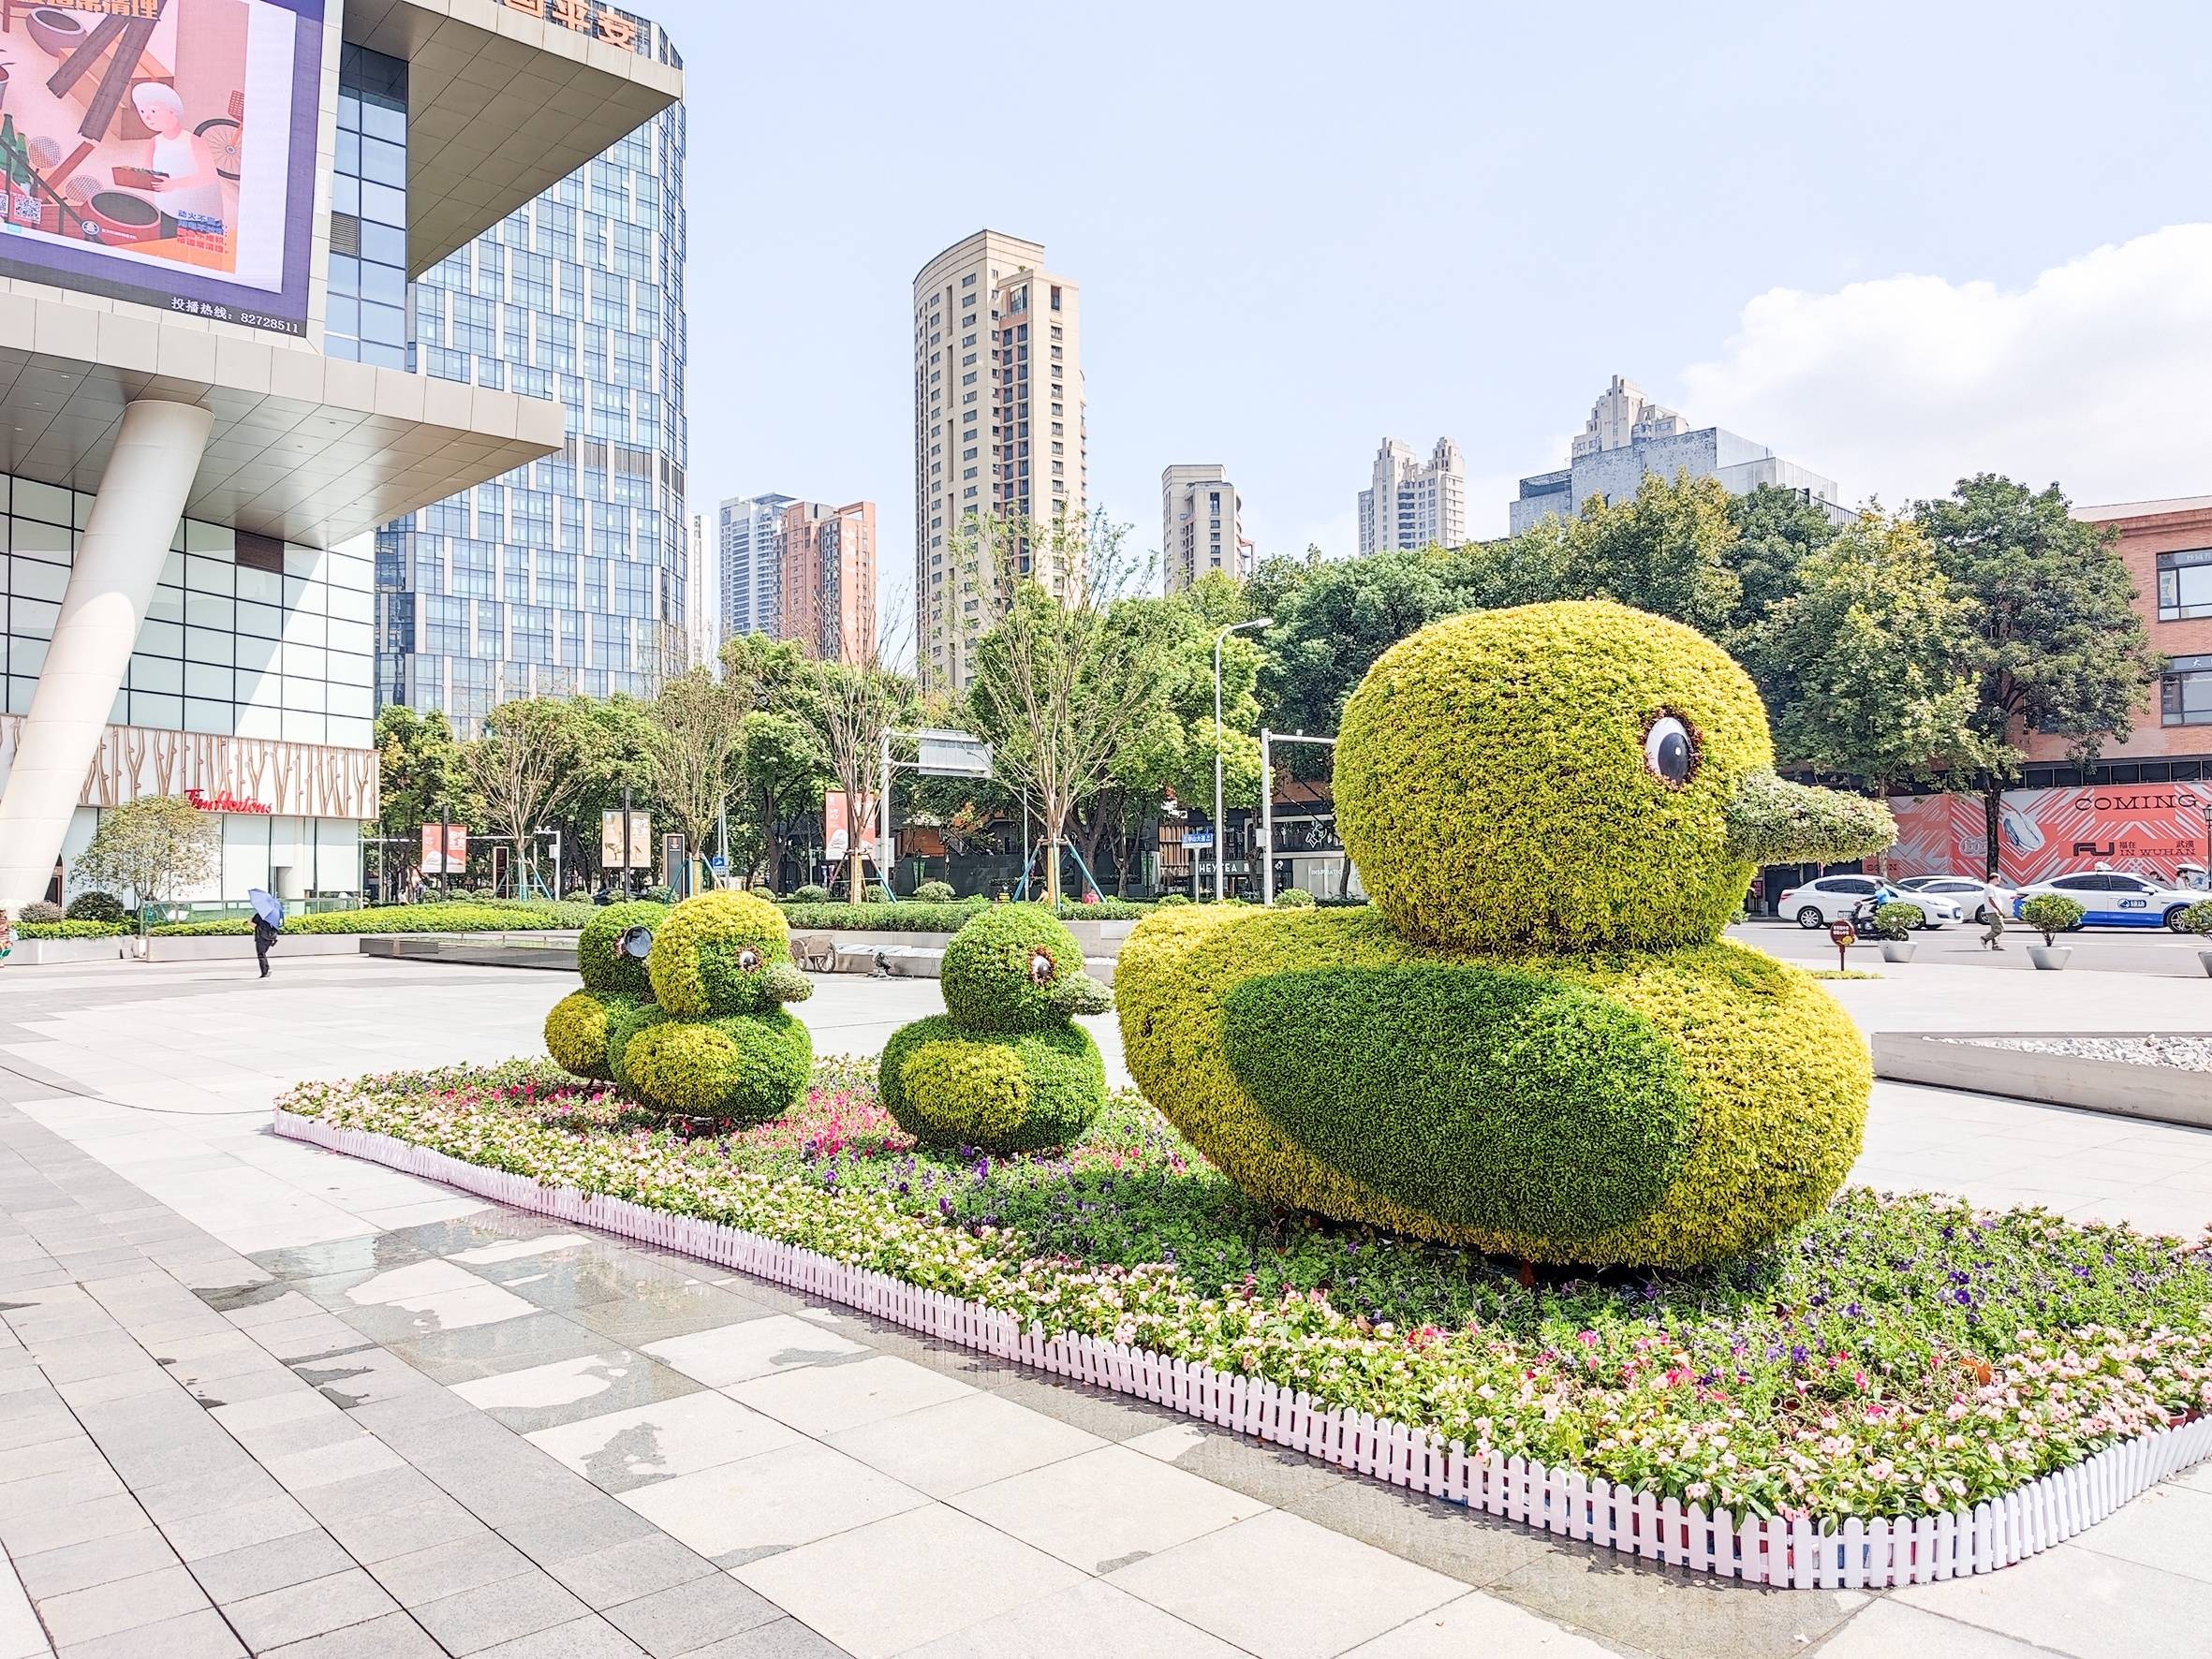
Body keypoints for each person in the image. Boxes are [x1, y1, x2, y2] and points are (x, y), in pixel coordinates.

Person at [1981, 874, 2008, 951]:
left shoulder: (1991, 887)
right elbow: (1991, 899)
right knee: (2000, 928)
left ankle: (1996, 945)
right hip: (1993, 911)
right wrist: (1998, 910)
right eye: (1999, 878)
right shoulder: (1989, 887)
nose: (2000, 880)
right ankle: (1985, 938)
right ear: (1994, 878)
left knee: (1995, 928)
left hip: (1994, 911)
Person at [252, 912, 278, 978]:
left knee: (261, 955)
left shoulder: (259, 914)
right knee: (263, 954)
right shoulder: (273, 915)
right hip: (269, 938)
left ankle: (265, 972)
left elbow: (253, 924)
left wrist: (250, 920)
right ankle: (267, 969)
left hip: (261, 938)